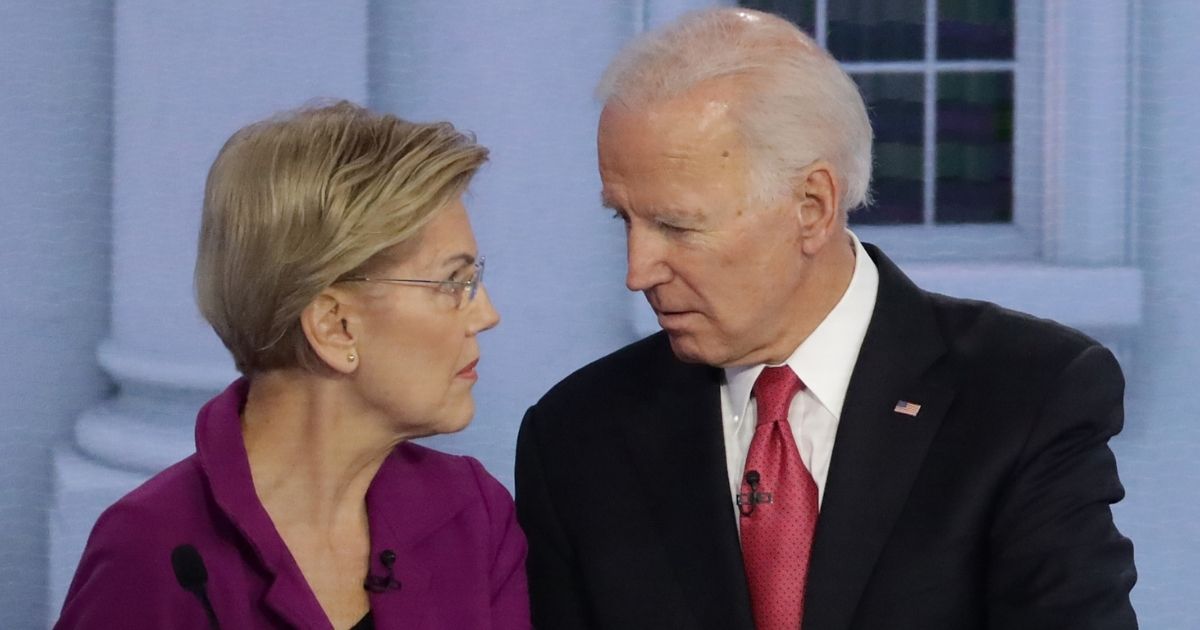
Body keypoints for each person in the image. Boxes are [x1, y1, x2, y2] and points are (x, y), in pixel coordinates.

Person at [515, 8, 1136, 630]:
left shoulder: (1027, 395)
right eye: (624, 220)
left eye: (676, 226)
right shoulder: (577, 436)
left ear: (811, 207)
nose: (639, 269)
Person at [57, 102, 530, 629]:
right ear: (334, 325)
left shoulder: (471, 513)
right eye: (452, 283)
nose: (486, 315)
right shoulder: (153, 553)